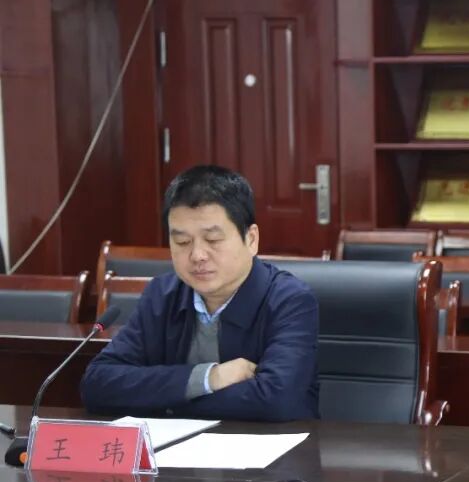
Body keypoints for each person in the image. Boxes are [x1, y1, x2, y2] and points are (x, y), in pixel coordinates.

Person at [81, 165, 319, 421]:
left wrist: (167, 402)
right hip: (176, 446)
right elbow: (98, 384)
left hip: (273, 446)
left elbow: (275, 400)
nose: (197, 255)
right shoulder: (162, 295)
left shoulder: (289, 300)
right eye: (182, 242)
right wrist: (209, 378)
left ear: (251, 239)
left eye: (213, 240)